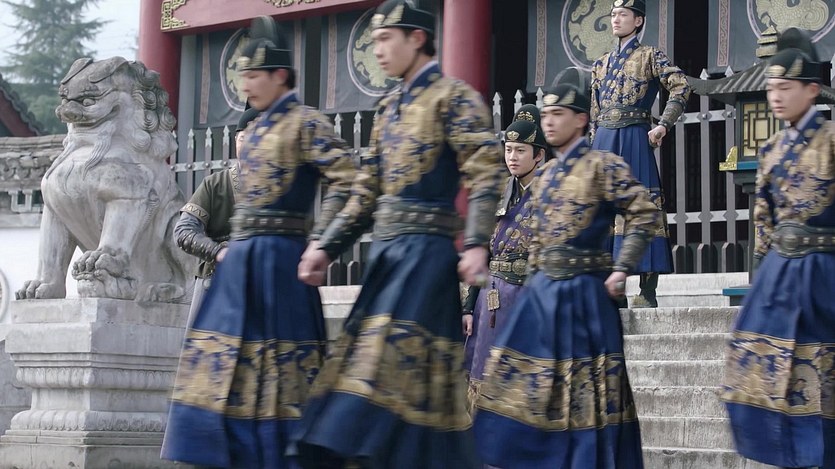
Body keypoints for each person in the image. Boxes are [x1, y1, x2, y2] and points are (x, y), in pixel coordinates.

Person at [291, 0, 504, 466]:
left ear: (417, 38)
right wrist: (326, 246)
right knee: (386, 388)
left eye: (386, 39)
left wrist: (475, 243)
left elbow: (487, 172)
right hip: (386, 261)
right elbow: (366, 191)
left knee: (385, 381)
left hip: (425, 260)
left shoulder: (453, 98)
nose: (378, 50)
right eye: (374, 41)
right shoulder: (388, 108)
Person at [161, 16, 356, 468]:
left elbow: (351, 182)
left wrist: (323, 243)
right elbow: (185, 229)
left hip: (280, 262)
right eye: (241, 75)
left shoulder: (306, 124)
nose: (244, 85)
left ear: (279, 75)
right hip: (235, 270)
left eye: (253, 75)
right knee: (217, 374)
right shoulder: (246, 146)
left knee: (282, 378)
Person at [473, 78, 661, 468]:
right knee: (520, 389)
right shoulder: (544, 178)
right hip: (541, 293)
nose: (550, 122)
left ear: (580, 119)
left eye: (558, 114)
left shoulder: (603, 166)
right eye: (546, 115)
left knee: (588, 395)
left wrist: (623, 266)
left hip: (585, 294)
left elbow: (644, 213)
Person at [721, 28, 835, 469]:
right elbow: (763, 221)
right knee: (764, 375)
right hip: (780, 275)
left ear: (812, 89)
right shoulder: (770, 150)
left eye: (785, 87)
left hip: (825, 272)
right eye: (771, 88)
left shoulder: (831, 142)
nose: (775, 96)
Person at [590, 0, 691, 307]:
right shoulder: (600, 64)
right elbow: (593, 112)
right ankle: (610, 288)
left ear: (638, 21)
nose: (616, 19)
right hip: (603, 138)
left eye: (623, 14)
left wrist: (663, 124)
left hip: (634, 133)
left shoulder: (650, 55)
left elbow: (681, 86)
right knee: (600, 208)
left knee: (642, 202)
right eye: (613, 14)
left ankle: (647, 288)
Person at [462, 104, 547, 409]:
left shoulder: (550, 193)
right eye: (509, 150)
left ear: (539, 155)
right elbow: (481, 251)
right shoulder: (498, 191)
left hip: (529, 296)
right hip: (490, 298)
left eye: (520, 151)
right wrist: (468, 307)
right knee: (482, 374)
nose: (512, 157)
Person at [174, 106, 259, 327]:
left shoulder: (282, 189)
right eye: (243, 138)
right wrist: (218, 252)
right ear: (236, 141)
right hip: (217, 281)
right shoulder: (215, 184)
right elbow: (183, 231)